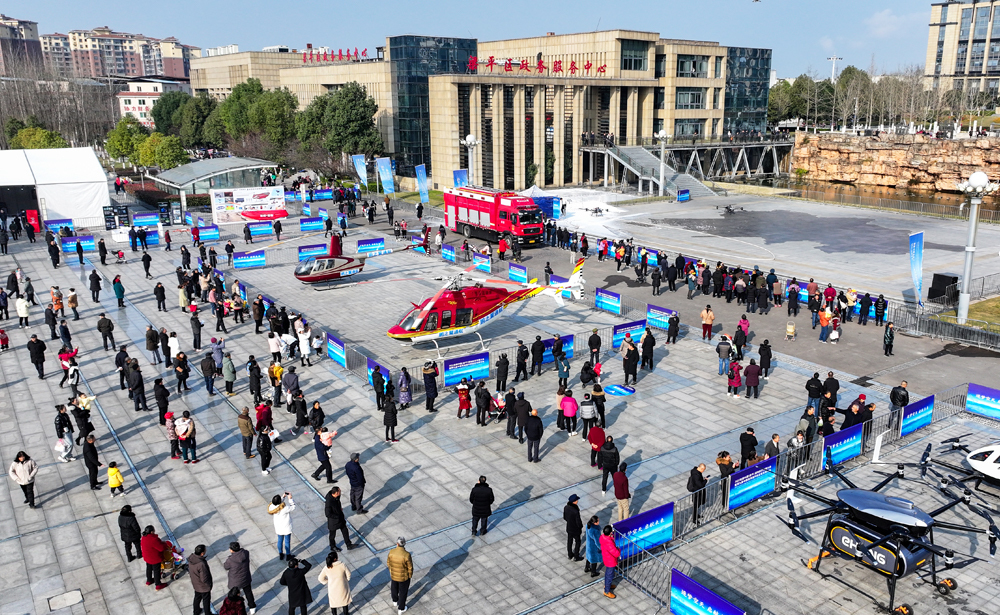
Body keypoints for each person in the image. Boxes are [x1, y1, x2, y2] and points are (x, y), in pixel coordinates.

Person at [224, 542, 256, 614]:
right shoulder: (246, 553)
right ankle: (252, 607)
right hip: (245, 577)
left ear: (232, 550)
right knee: (248, 592)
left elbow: (226, 567)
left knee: (234, 596)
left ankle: (235, 609)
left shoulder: (230, 560)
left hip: (235, 580)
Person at [325, 486, 359, 551]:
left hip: (340, 519)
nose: (340, 492)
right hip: (333, 521)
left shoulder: (337, 497)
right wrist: (337, 516)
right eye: (339, 491)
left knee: (345, 531)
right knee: (332, 535)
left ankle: (348, 545)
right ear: (336, 493)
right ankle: (332, 546)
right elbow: (328, 514)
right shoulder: (329, 502)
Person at [318, 551, 351, 615]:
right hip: (342, 587)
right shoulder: (342, 565)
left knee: (333, 602)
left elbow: (320, 578)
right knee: (344, 600)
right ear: (335, 559)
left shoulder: (327, 568)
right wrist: (345, 580)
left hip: (332, 588)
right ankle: (346, 613)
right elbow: (348, 574)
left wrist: (327, 581)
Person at [386, 537, 413, 615]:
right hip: (404, 577)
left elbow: (388, 563)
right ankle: (401, 608)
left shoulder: (391, 552)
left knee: (394, 587)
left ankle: (395, 601)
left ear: (397, 544)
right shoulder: (406, 555)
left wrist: (391, 571)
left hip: (394, 575)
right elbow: (410, 567)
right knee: (403, 592)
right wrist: (409, 576)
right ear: (404, 544)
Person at [141, 526, 169, 590]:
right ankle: (158, 584)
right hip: (154, 558)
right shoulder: (153, 539)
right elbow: (161, 548)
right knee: (156, 571)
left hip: (147, 556)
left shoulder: (144, 537)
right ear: (151, 532)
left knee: (149, 568)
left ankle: (149, 580)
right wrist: (165, 544)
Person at [189, 544, 214, 615]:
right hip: (203, 586)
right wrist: (209, 584)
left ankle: (196, 611)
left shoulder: (191, 558)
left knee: (197, 598)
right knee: (206, 600)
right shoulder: (201, 564)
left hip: (196, 583)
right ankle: (207, 613)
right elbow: (204, 578)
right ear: (202, 553)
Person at [600, 525, 620, 599]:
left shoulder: (603, 537)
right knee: (609, 575)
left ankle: (607, 585)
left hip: (606, 558)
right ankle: (607, 591)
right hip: (610, 560)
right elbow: (616, 553)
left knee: (608, 574)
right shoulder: (609, 542)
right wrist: (618, 549)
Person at [563, 494, 584, 561]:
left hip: (569, 528)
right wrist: (580, 526)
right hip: (576, 529)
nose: (577, 501)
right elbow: (578, 521)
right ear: (574, 502)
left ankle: (570, 554)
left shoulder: (566, 507)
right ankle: (576, 556)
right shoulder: (575, 511)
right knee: (578, 542)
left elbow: (565, 517)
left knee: (569, 541)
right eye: (576, 500)